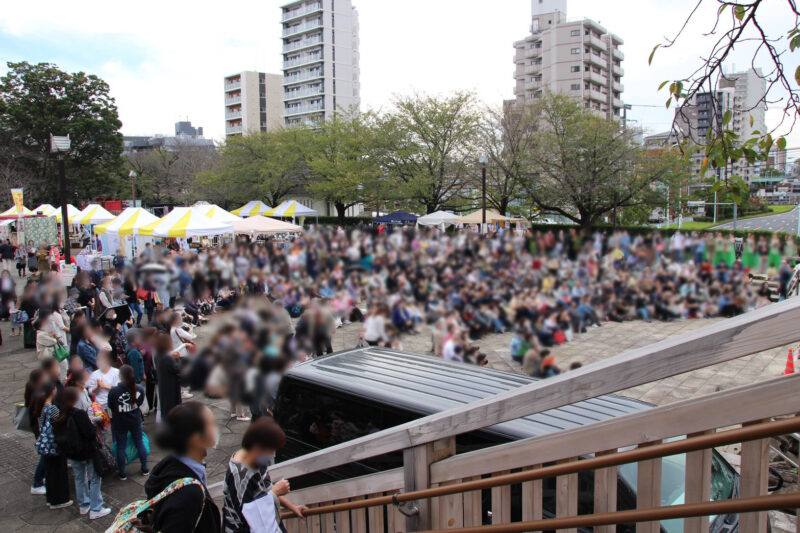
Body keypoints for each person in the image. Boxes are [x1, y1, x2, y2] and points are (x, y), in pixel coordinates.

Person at [145, 402, 222, 533]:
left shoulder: (168, 466)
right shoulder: (189, 495)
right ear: (196, 439)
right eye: (212, 424)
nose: (216, 430)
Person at [222, 419, 306, 533]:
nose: (272, 454)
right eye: (271, 449)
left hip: (269, 523)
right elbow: (247, 515)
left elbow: (265, 488)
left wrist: (292, 507)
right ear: (258, 447)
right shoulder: (240, 476)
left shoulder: (255, 459)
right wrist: (275, 493)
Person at [52, 387, 111, 519]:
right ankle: (96, 508)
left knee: (79, 477)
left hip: (72, 453)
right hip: (87, 451)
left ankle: (84, 505)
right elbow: (89, 432)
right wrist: (94, 422)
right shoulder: (79, 414)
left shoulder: (61, 415)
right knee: (95, 478)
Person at [31, 381, 72, 509]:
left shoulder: (40, 406)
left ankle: (51, 499)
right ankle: (59, 500)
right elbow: (59, 424)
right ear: (53, 391)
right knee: (58, 473)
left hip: (45, 444)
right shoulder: (52, 408)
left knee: (50, 473)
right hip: (55, 445)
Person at [108, 365, 149, 480]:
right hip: (135, 420)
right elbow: (139, 403)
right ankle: (145, 467)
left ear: (120, 376)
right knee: (139, 442)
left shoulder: (114, 391)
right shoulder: (139, 389)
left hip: (120, 421)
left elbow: (111, 405)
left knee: (121, 446)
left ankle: (122, 472)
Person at [25, 368, 48, 495]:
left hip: (40, 431)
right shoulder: (38, 396)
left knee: (46, 456)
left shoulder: (34, 392)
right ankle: (37, 483)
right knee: (45, 456)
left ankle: (41, 478)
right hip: (42, 432)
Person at [155, 332, 184, 419]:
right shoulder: (167, 358)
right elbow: (178, 369)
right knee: (172, 409)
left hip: (163, 385)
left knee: (165, 408)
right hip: (171, 386)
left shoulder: (158, 355)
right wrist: (178, 359)